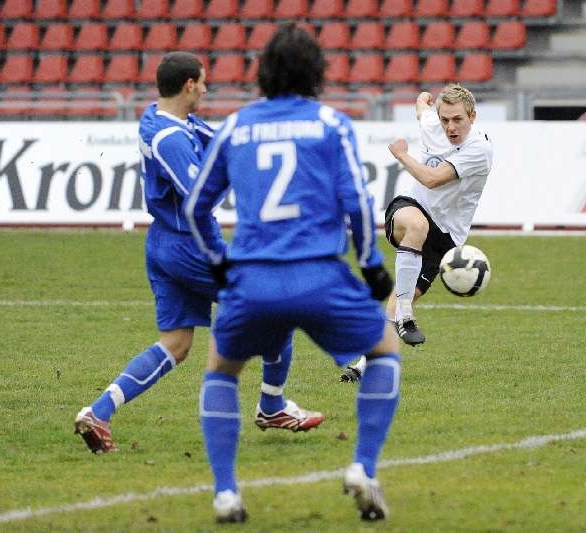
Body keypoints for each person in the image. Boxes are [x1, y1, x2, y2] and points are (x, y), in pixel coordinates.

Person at [185, 25, 401, 523]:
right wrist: (371, 268)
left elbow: (197, 206)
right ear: (316, 72)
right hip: (320, 276)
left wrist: (219, 264)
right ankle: (363, 467)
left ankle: (225, 493)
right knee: (385, 351)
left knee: (221, 370)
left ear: (263, 72)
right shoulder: (330, 123)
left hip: (253, 279)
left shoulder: (236, 125)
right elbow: (359, 208)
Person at [74, 51, 324, 454]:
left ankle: (98, 412)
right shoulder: (169, 138)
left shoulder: (164, 118)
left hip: (163, 243)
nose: (206, 89)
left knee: (175, 343)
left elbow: (224, 143)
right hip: (191, 246)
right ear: (189, 84)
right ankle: (272, 406)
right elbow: (199, 197)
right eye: (203, 82)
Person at [340, 84, 493, 382]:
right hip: (411, 210)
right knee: (417, 226)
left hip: (446, 238)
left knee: (398, 299)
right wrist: (423, 99)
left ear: (472, 117)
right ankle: (407, 317)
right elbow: (422, 109)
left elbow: (433, 178)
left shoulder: (479, 150)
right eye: (445, 119)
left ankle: (363, 364)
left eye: (458, 120)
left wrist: (401, 154)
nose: (450, 127)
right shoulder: (432, 121)